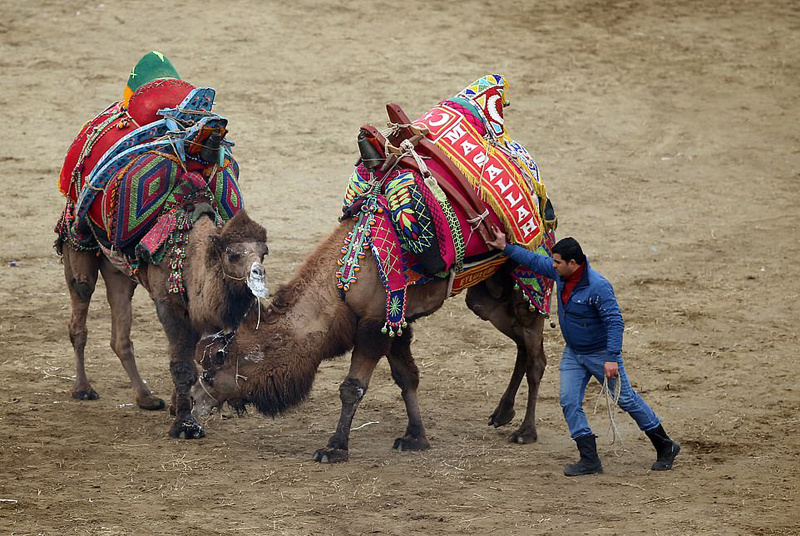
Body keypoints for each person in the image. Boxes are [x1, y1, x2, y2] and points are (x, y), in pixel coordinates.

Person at [486, 227, 680, 475]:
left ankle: (665, 445)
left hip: (600, 355)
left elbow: (615, 322)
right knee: (568, 401)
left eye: (557, 262)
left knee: (626, 399)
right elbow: (535, 261)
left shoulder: (599, 287)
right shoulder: (561, 275)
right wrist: (506, 248)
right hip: (574, 354)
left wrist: (611, 358)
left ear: (573, 263)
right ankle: (589, 459)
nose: (553, 266)